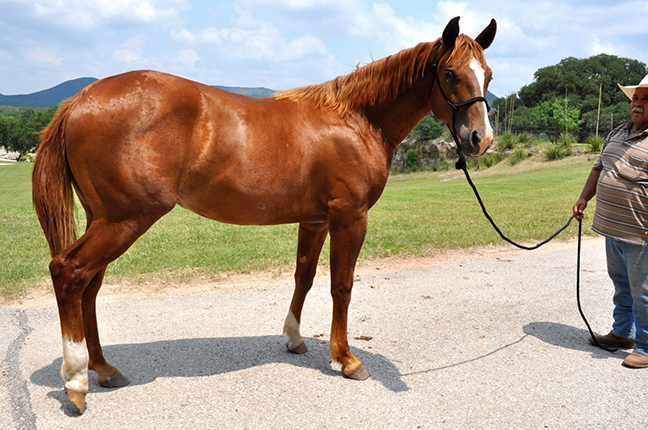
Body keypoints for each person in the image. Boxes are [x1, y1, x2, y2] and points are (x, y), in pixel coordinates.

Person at [573, 74, 648, 368]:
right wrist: (583, 198)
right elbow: (598, 167)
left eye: (646, 100)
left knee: (643, 291)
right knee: (621, 284)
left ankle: (645, 346)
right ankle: (622, 334)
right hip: (612, 228)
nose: (638, 105)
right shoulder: (617, 132)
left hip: (640, 233)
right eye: (635, 99)